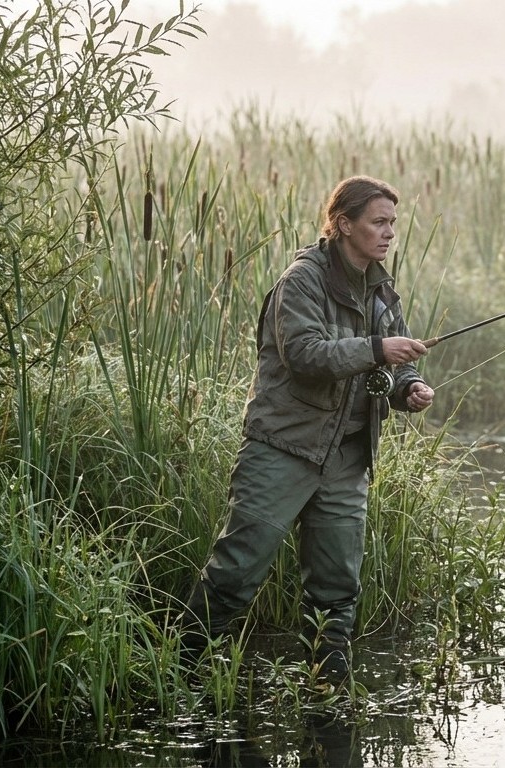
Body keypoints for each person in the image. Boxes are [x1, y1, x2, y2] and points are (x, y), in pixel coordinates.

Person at [179, 175, 434, 683]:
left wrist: (410, 388)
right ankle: (179, 677)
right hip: (282, 448)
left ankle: (327, 691)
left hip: (347, 457)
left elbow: (397, 365)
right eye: (378, 222)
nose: (389, 233)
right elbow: (304, 354)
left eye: (393, 223)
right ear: (344, 224)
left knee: (337, 589)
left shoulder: (383, 291)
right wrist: (377, 349)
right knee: (235, 572)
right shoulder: (302, 280)